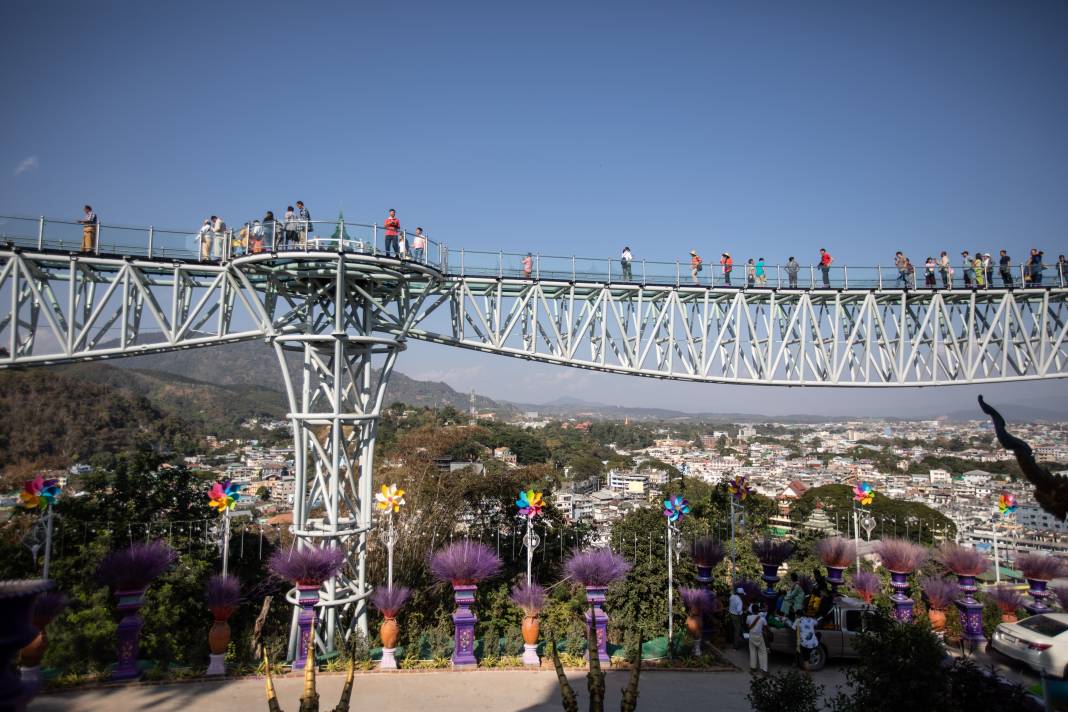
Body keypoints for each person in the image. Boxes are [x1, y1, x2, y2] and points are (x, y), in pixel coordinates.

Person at [746, 602, 769, 674]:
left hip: (752, 635)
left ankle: (753, 667)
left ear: (752, 610)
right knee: (763, 652)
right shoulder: (762, 619)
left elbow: (747, 626)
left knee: (752, 651)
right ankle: (764, 669)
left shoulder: (748, 617)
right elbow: (766, 627)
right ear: (758, 610)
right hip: (759, 635)